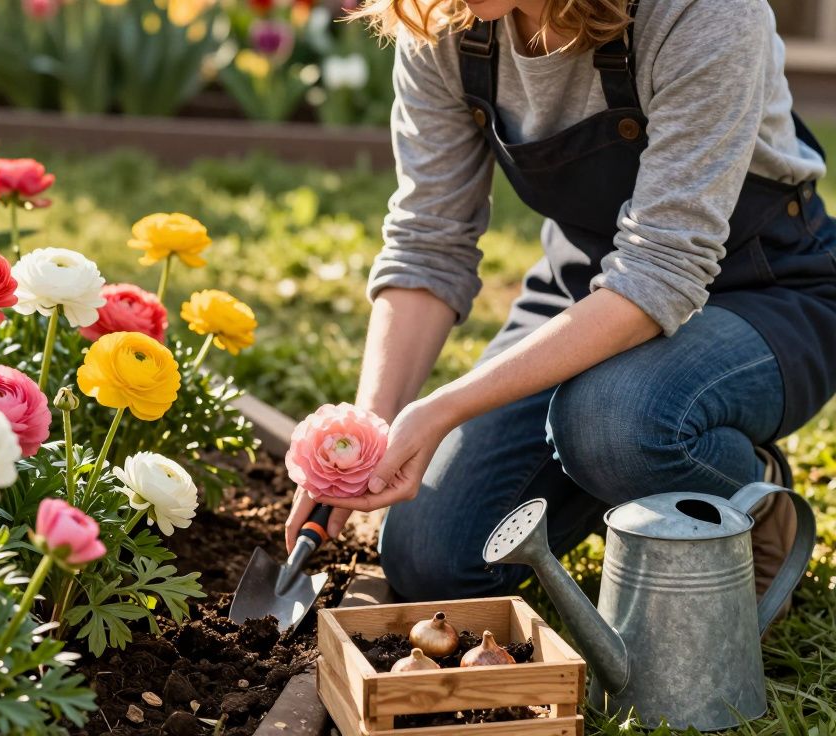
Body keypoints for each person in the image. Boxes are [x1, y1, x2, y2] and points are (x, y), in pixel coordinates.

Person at [284, 0, 833, 602]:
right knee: (433, 561)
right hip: (584, 293)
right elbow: (428, 241)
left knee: (612, 419)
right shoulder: (441, 20)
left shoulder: (702, 11)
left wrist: (445, 407)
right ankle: (632, 466)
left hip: (763, 290)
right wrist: (363, 438)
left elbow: (662, 268)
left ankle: (749, 494)